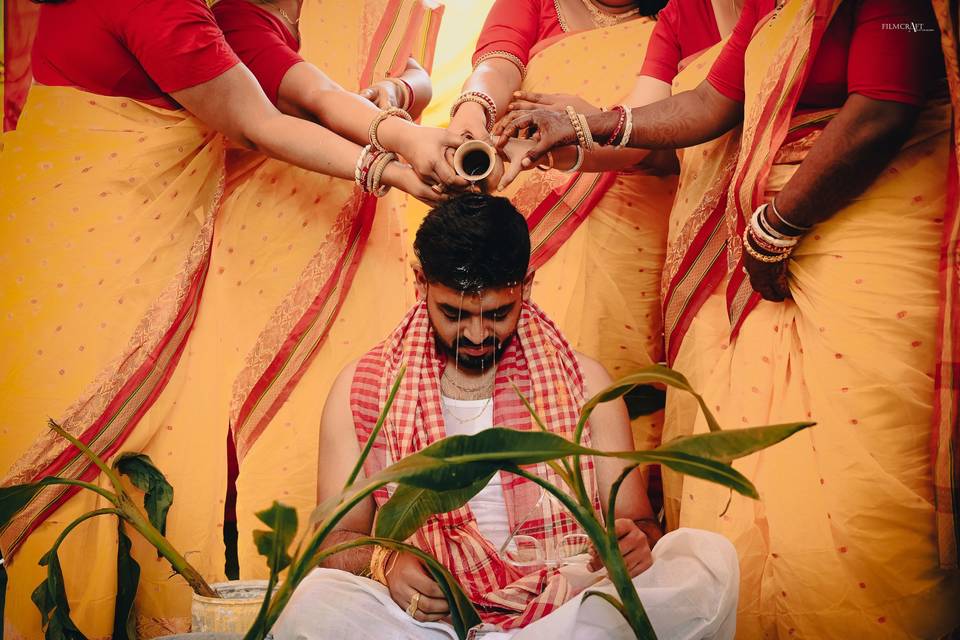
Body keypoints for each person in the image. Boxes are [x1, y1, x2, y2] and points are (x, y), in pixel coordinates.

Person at [497, 0, 960, 636]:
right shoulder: (766, 10)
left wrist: (779, 225)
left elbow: (882, 105)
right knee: (747, 468)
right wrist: (584, 124)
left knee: (858, 463)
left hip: (872, 223)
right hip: (763, 243)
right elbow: (711, 104)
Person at [0, 0, 443, 636]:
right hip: (86, 258)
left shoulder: (210, 15)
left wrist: (403, 122)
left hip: (94, 248)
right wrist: (395, 169)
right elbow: (258, 120)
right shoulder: (162, 10)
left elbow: (304, 88)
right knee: (65, 460)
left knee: (122, 462)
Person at [269, 194, 740, 640]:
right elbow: (331, 541)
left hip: (566, 600)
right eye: (453, 313)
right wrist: (385, 564)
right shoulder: (363, 387)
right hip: (428, 615)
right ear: (420, 283)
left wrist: (634, 542)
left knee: (705, 564)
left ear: (527, 285)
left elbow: (639, 523)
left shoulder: (585, 382)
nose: (476, 334)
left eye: (497, 314)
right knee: (311, 604)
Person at [210, 0, 464, 579]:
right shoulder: (232, 19)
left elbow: (421, 73)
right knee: (287, 418)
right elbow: (318, 97)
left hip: (372, 235)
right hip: (275, 238)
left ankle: (387, 578)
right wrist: (399, 153)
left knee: (379, 397)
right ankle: (280, 588)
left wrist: (398, 91)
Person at [446, 0, 675, 465]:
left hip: (641, 222)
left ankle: (624, 512)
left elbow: (692, 139)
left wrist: (594, 124)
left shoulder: (681, 17)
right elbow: (496, 65)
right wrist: (474, 109)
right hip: (533, 211)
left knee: (628, 385)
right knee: (522, 377)